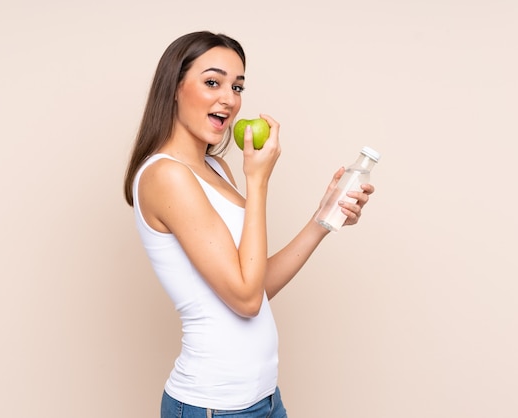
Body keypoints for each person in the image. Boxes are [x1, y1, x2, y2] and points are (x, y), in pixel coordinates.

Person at [123, 31, 375, 418]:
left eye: (237, 86)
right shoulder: (165, 176)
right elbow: (245, 299)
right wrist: (257, 181)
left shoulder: (214, 167)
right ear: (174, 88)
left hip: (265, 399)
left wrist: (322, 218)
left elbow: (255, 284)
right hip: (213, 406)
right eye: (212, 82)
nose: (230, 99)